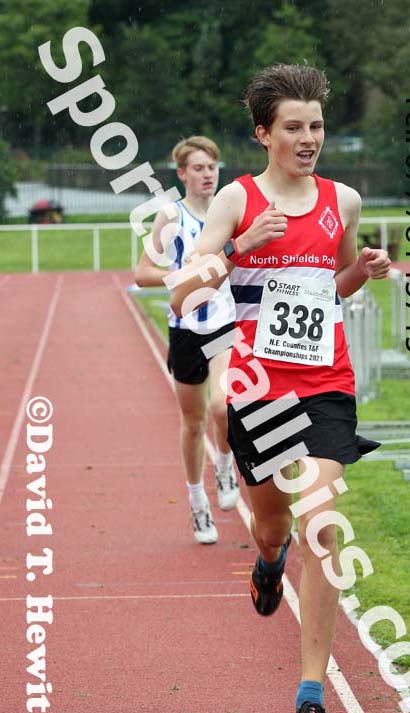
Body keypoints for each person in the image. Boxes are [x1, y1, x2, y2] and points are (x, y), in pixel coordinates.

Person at [169, 65, 390, 713]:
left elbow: (335, 282)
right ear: (263, 133)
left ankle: (310, 694)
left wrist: (366, 270)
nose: (307, 138)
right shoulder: (234, 202)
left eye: (316, 126)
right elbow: (183, 290)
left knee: (323, 523)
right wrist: (239, 249)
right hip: (260, 391)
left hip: (326, 383)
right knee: (272, 527)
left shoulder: (342, 200)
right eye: (292, 127)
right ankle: (268, 560)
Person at [135, 135, 239, 544]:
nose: (207, 174)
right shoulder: (171, 217)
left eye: (212, 166)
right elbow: (142, 273)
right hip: (185, 329)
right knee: (193, 422)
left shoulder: (230, 212)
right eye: (198, 168)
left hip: (225, 322)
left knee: (222, 406)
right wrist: (181, 276)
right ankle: (198, 505)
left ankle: (226, 465)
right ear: (182, 174)